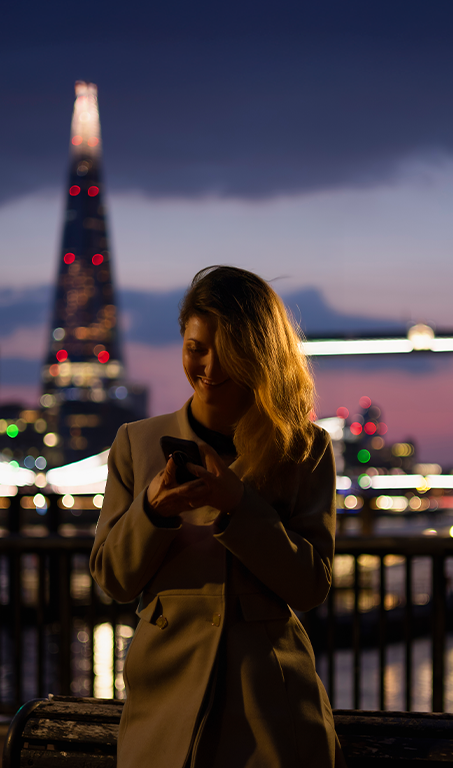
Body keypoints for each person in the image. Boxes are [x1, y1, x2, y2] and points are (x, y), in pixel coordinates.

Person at [90, 266, 345, 768]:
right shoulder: (136, 445)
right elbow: (114, 580)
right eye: (195, 347)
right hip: (164, 702)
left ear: (258, 352)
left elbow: (311, 586)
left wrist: (239, 506)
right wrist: (153, 511)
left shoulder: (304, 449)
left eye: (225, 349)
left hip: (271, 707)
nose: (207, 365)